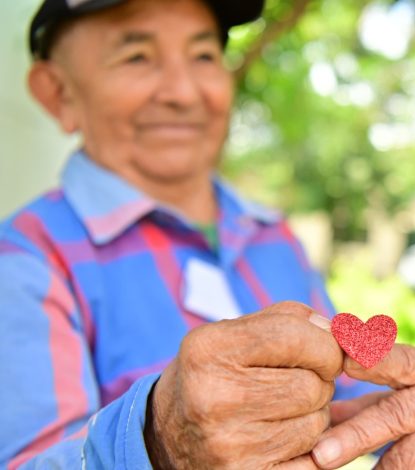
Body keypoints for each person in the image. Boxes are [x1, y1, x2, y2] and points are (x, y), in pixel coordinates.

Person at [0, 0, 390, 467]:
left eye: (203, 56)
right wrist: (158, 441)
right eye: (137, 57)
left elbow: (357, 402)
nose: (183, 92)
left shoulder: (274, 236)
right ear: (59, 93)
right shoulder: (26, 260)